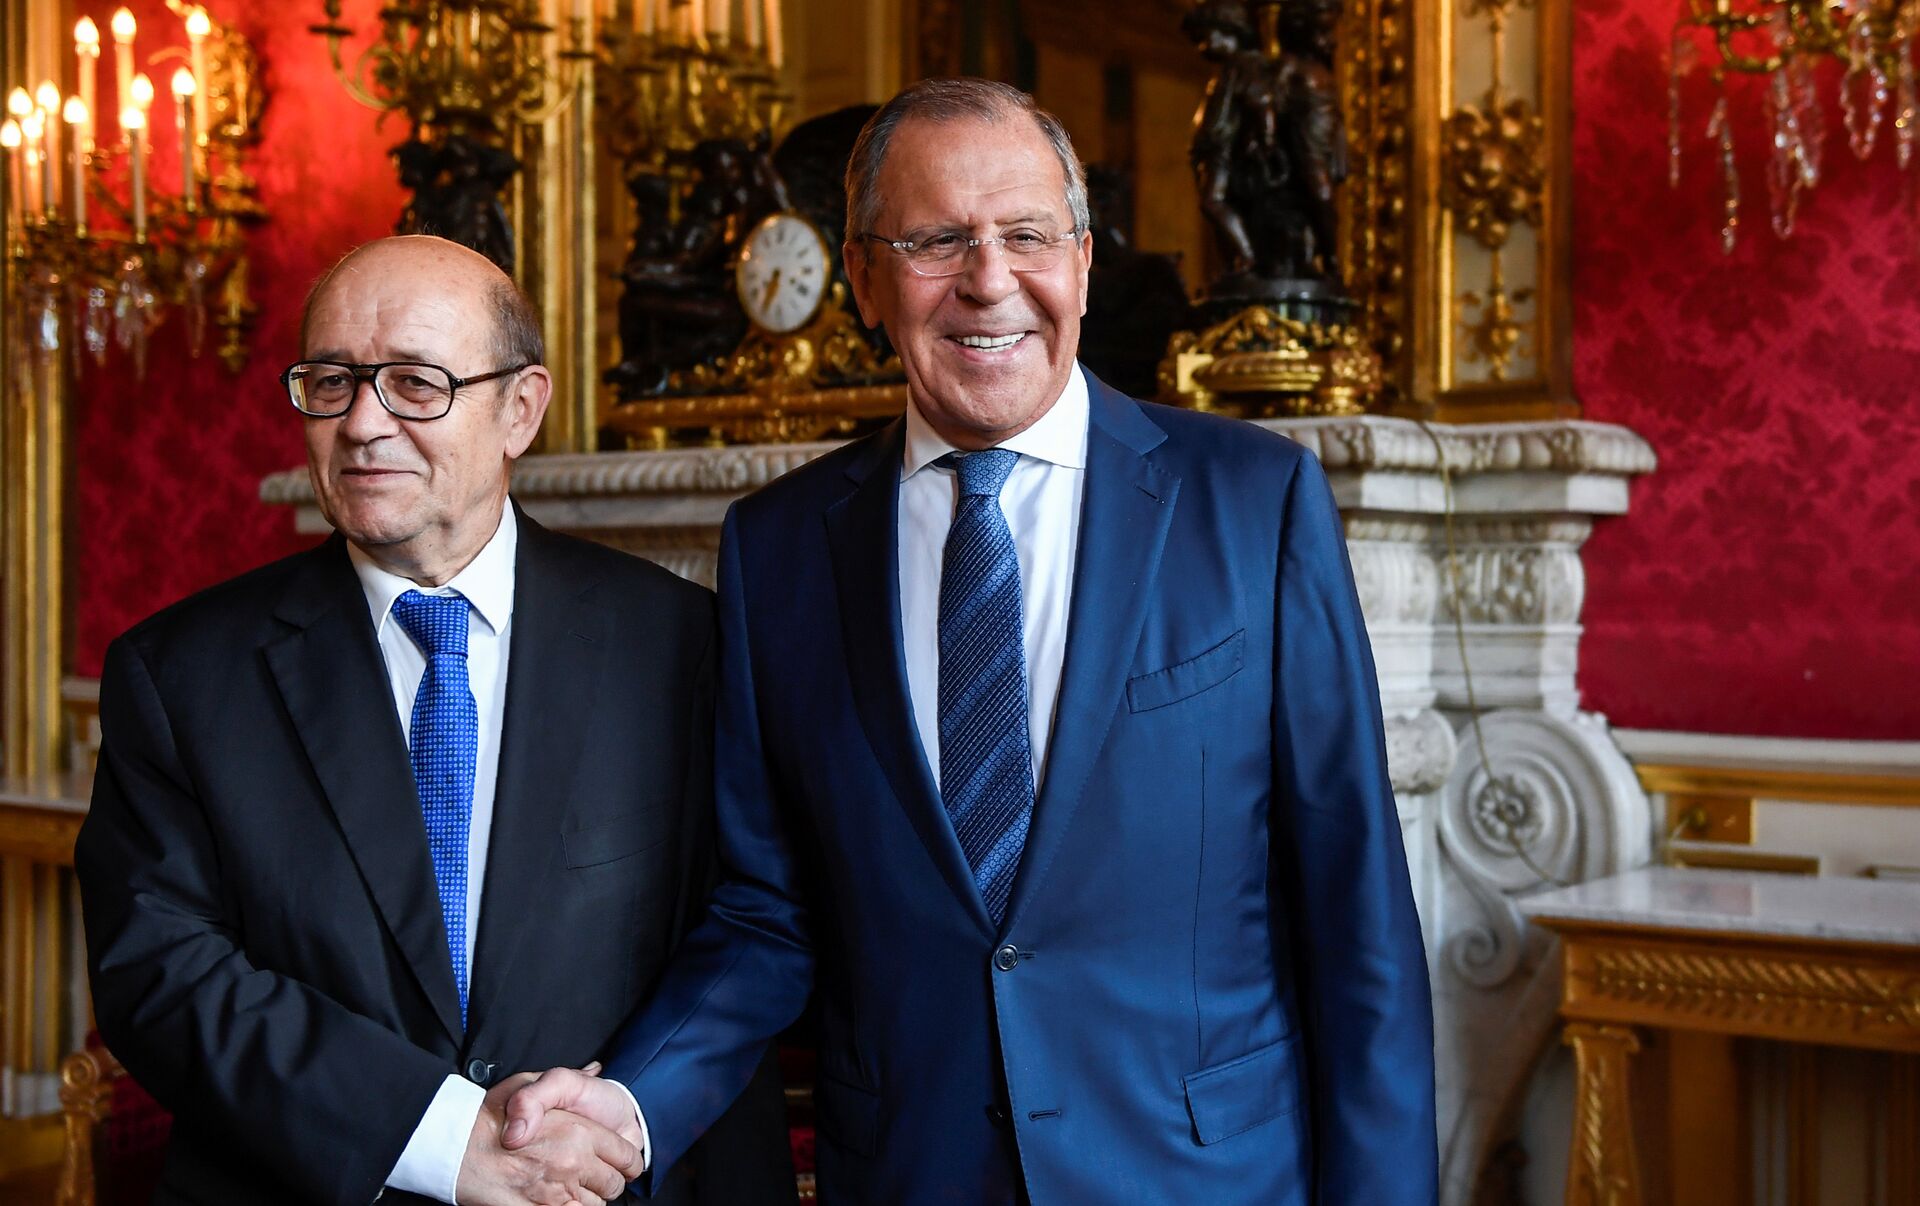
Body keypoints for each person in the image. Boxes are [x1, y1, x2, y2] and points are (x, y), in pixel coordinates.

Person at [506, 79, 1436, 1203]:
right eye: (936, 240)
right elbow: (768, 913)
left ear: (1082, 262)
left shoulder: (1255, 500)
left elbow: (1356, 915)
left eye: (1028, 235)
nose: (990, 280)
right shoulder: (779, 547)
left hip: (1203, 1175)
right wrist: (632, 1102)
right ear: (862, 279)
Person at [74, 235, 793, 1206]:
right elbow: (160, 971)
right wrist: (442, 1138)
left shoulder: (685, 642)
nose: (362, 424)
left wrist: (626, 1113)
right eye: (331, 382)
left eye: (415, 384)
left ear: (520, 409)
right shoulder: (178, 674)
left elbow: (750, 920)